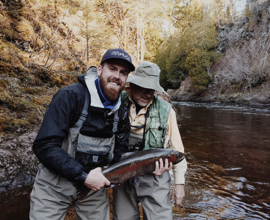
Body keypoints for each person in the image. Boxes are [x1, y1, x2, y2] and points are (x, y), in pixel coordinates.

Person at [30, 48, 135, 220]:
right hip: (54, 184)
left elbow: (120, 149)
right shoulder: (70, 96)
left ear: (126, 79)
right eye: (112, 69)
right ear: (100, 70)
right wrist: (83, 176)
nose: (117, 76)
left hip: (95, 188)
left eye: (123, 72)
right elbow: (44, 145)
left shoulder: (121, 109)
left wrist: (142, 167)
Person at [112, 61, 188, 220]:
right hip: (123, 176)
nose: (148, 94)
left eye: (151, 90)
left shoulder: (166, 111)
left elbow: (179, 152)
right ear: (132, 86)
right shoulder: (117, 102)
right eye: (144, 88)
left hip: (155, 178)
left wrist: (179, 185)